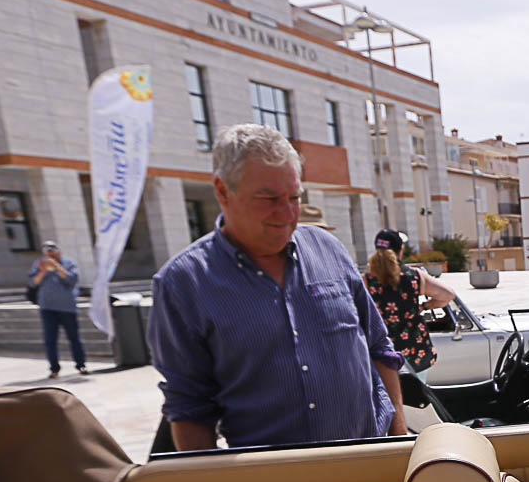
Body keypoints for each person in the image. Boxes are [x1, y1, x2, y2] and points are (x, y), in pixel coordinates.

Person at [147, 123, 408, 450]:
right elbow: (189, 409)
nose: (286, 214)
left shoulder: (329, 249)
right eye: (268, 198)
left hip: (369, 467)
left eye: (294, 197)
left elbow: (380, 348)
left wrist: (400, 444)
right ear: (222, 191)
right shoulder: (183, 283)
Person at [364, 229, 458, 373]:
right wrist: (424, 306)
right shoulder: (413, 276)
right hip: (414, 354)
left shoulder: (366, 280)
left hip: (381, 355)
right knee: (416, 394)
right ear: (401, 250)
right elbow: (448, 295)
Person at [28, 240, 87, 378]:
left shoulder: (68, 263)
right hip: (47, 307)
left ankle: (81, 364)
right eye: (47, 251)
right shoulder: (39, 264)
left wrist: (57, 267)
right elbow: (32, 283)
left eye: (52, 250)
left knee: (74, 337)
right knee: (50, 340)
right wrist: (42, 271)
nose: (50, 253)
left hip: (67, 307)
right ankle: (54, 368)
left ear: (58, 251)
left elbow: (72, 280)